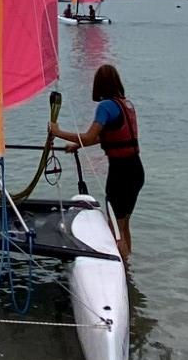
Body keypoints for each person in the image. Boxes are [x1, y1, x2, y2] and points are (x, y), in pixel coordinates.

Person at [49, 63, 144, 260]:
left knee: (115, 228)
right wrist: (78, 146)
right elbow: (113, 137)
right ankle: (129, 266)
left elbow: (90, 136)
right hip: (136, 170)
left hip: (120, 173)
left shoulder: (105, 107)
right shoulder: (126, 105)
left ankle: (122, 272)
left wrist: (58, 132)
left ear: (99, 85)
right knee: (124, 224)